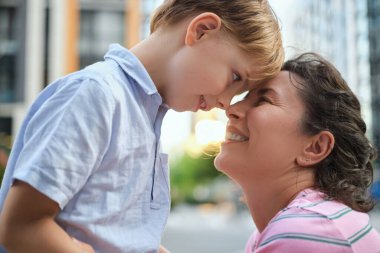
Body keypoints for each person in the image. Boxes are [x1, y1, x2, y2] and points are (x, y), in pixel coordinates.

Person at [0, 0, 284, 253]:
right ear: (201, 30)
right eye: (235, 77)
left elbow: (112, 234)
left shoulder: (145, 118)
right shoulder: (96, 94)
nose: (226, 103)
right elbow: (21, 227)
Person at [215, 52, 380, 252]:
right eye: (244, 98)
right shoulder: (304, 224)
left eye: (263, 101)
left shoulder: (303, 231)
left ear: (315, 147)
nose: (231, 108)